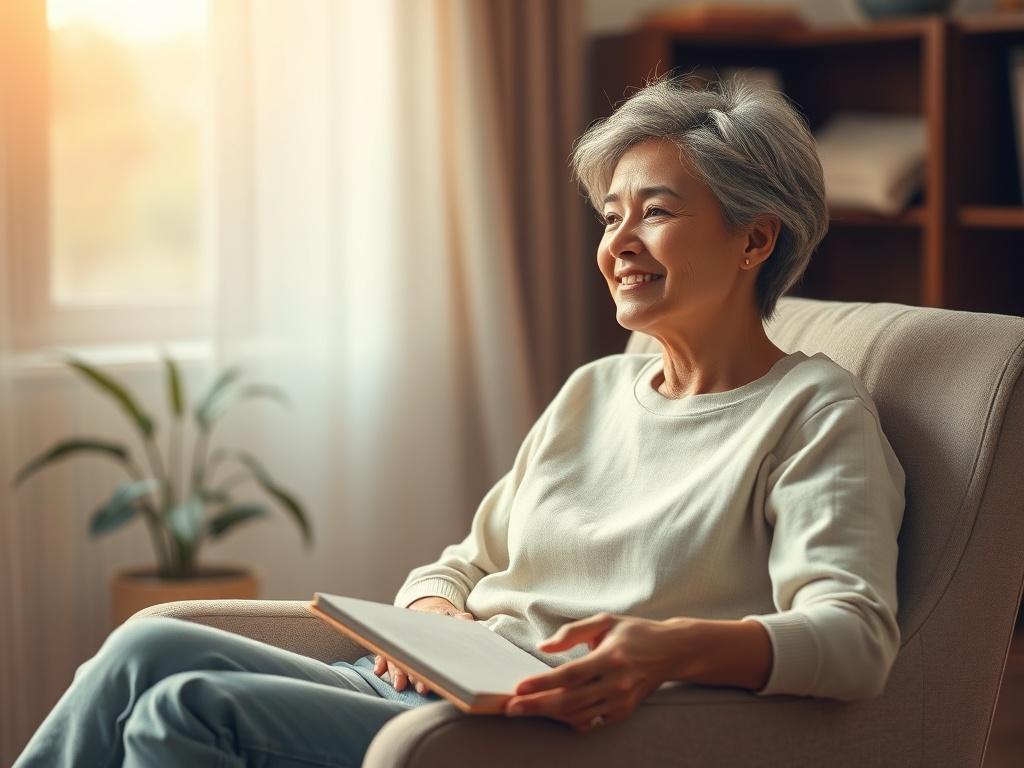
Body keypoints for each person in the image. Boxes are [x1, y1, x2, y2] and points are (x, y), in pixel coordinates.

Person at [14, 75, 904, 766]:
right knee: (148, 643)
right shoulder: (595, 391)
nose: (619, 242)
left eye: (658, 212)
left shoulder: (812, 415)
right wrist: (433, 611)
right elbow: (463, 563)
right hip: (432, 684)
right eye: (610, 215)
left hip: (528, 733)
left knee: (187, 710)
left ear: (756, 239)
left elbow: (855, 638)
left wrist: (663, 650)